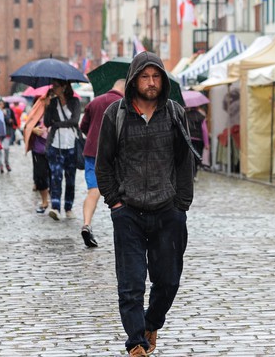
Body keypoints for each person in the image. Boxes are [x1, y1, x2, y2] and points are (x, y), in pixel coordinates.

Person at [96, 52, 195, 356]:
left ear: (162, 80)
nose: (151, 83)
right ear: (134, 80)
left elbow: (185, 162)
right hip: (129, 213)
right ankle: (136, 342)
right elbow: (104, 164)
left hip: (168, 212)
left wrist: (181, 206)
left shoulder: (175, 113)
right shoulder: (116, 114)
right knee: (131, 285)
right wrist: (115, 203)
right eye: (144, 77)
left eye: (156, 77)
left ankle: (151, 323)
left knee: (168, 282)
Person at [78, 78, 125, 247]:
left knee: (94, 190)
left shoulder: (95, 102)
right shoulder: (123, 104)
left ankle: (87, 224)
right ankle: (122, 228)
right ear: (124, 89)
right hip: (113, 155)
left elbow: (83, 127)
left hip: (92, 152)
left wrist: (94, 135)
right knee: (119, 192)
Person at [44, 79, 81, 220]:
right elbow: (48, 123)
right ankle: (55, 207)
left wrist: (57, 124)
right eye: (53, 86)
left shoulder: (74, 102)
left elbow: (75, 120)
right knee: (56, 177)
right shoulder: (53, 103)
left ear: (64, 86)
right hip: (55, 145)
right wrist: (46, 107)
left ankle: (68, 207)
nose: (54, 88)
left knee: (70, 178)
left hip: (71, 145)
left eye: (56, 86)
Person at [24, 92, 51, 213]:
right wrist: (33, 130)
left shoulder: (56, 110)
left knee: (54, 176)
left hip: (53, 148)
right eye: (42, 99)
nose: (45, 101)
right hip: (38, 149)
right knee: (40, 176)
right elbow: (26, 126)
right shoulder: (36, 112)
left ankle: (54, 202)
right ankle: (44, 201)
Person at [185, 106, 209, 180]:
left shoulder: (185, 115)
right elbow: (204, 130)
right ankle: (194, 174)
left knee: (188, 158)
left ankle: (189, 174)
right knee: (197, 158)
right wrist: (206, 143)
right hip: (199, 140)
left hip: (188, 139)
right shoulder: (201, 117)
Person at [0, 99, 16, 173]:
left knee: (6, 149)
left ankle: (7, 163)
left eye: (2, 104)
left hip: (6, 132)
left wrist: (5, 116)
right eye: (0, 104)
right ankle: (0, 165)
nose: (1, 106)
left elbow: (10, 121)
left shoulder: (7, 111)